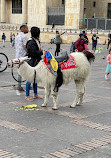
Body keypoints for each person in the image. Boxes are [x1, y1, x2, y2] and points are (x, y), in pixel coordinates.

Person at [25, 26, 43, 101]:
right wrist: (40, 52)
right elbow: (33, 53)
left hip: (36, 61)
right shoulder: (31, 42)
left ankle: (35, 94)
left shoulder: (36, 40)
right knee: (29, 79)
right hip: (32, 62)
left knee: (35, 79)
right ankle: (27, 95)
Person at [15, 24, 29, 92]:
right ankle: (27, 84)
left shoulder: (17, 36)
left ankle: (19, 85)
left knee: (20, 71)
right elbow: (25, 46)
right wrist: (28, 53)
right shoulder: (24, 37)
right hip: (24, 56)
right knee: (28, 69)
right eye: (27, 28)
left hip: (18, 55)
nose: (28, 30)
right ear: (23, 29)